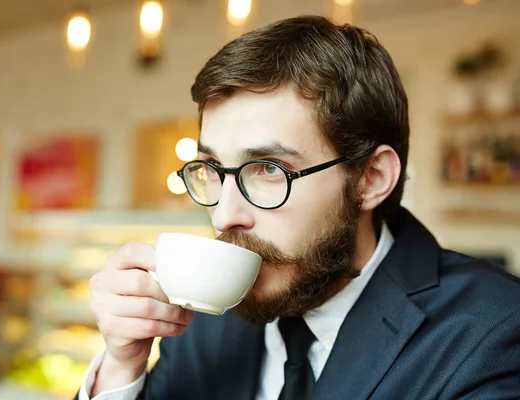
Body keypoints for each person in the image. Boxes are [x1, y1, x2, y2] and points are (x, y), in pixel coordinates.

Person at [76, 16, 520, 400]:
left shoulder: (492, 332)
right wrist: (122, 364)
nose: (224, 216)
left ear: (372, 178)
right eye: (212, 168)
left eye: (268, 169)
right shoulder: (205, 323)